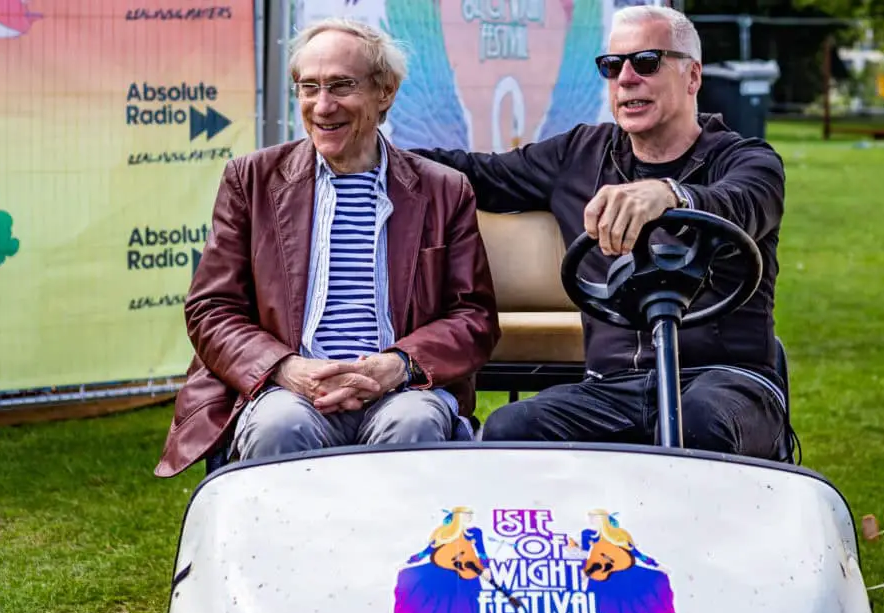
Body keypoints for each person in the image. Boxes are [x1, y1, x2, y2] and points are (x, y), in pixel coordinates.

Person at [410, 5, 788, 459]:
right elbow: (475, 174)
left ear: (693, 77)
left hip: (726, 381)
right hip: (613, 388)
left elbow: (740, 204)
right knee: (511, 427)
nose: (626, 78)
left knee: (701, 423)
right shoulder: (580, 154)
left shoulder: (748, 161)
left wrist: (669, 195)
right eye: (612, 66)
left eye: (646, 62)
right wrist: (372, 150)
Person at [153, 17, 500, 478]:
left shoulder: (443, 189)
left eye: (341, 85)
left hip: (401, 391)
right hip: (289, 389)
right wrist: (285, 368)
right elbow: (211, 307)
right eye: (308, 87)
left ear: (386, 92)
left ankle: (398, 552)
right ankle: (281, 553)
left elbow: (473, 316)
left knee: (414, 423)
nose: (322, 105)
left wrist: (396, 366)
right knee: (277, 426)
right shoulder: (252, 180)